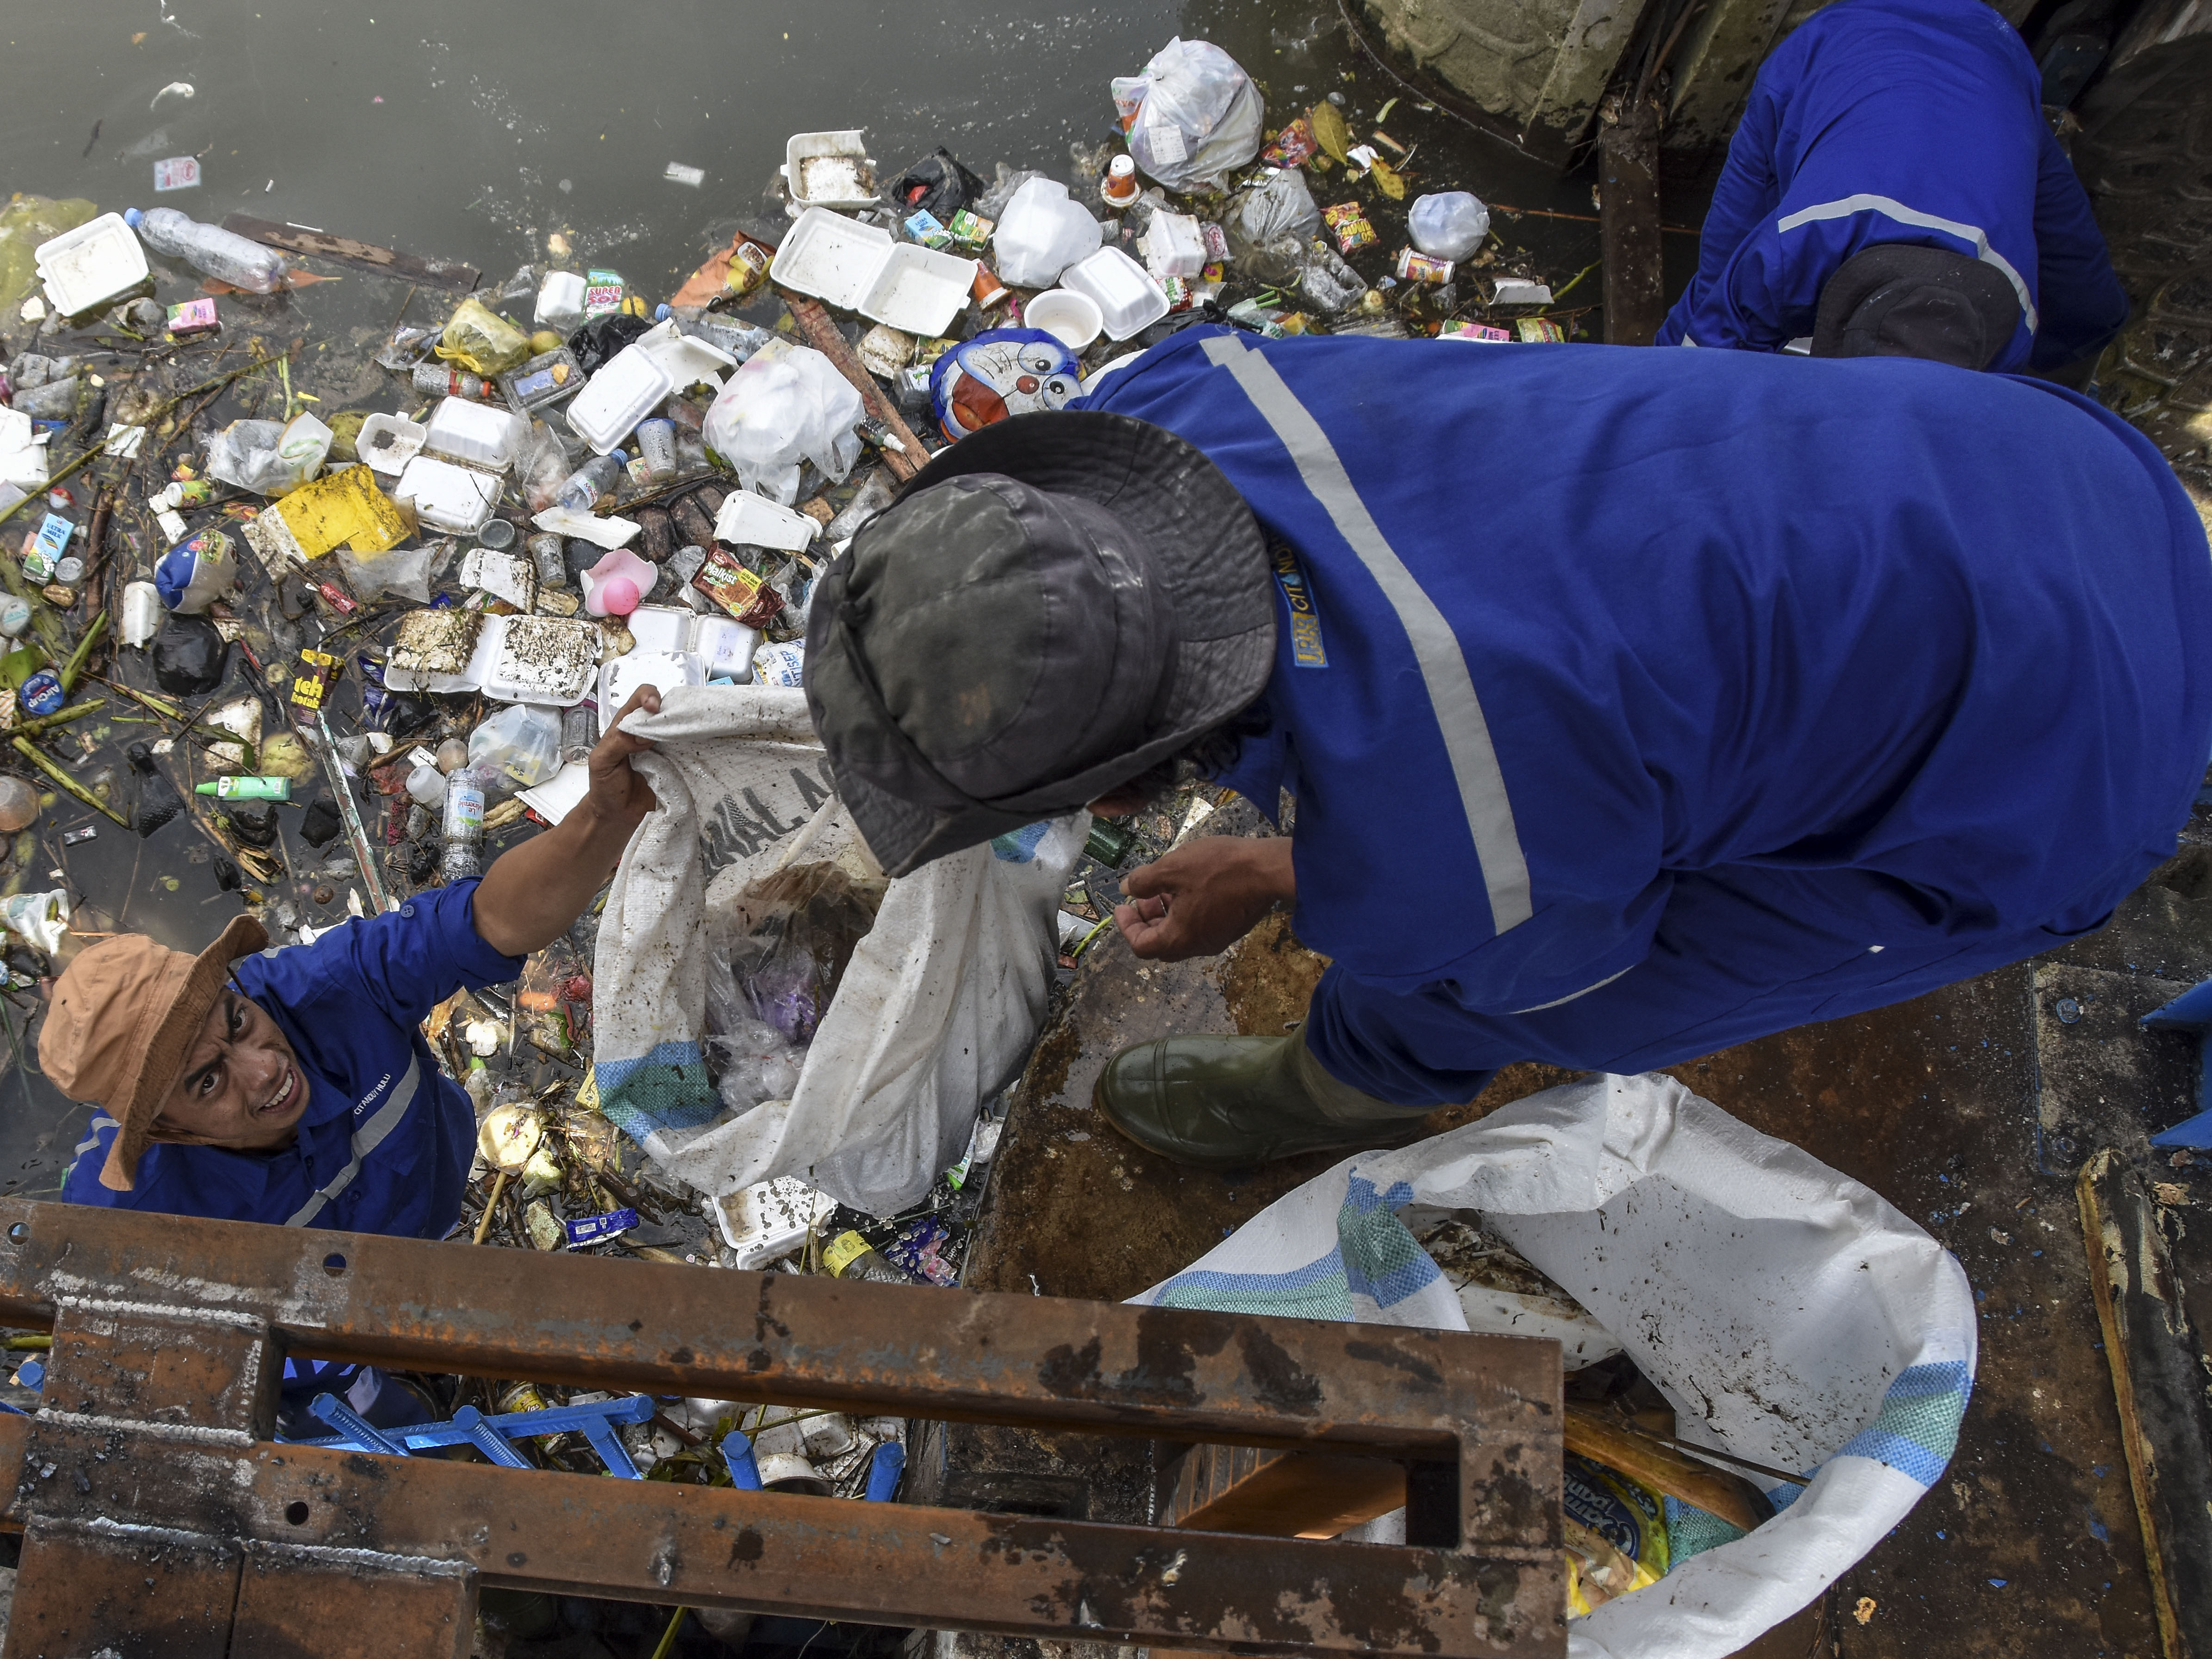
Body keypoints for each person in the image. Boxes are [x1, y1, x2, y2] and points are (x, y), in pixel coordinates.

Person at [799, 325, 2212, 1168]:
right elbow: (1307, 631)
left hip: (2071, 747)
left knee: (1535, 983)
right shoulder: (1174, 400)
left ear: (1108, 787)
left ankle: (1343, 1089)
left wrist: (1307, 875)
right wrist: (1283, 837)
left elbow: (1510, 891)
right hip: (2026, 462)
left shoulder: (1453, 825)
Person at [37, 688, 663, 1426]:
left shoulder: (320, 990)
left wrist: (605, 815)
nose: (264, 1069)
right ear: (162, 1130)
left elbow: (484, 922)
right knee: (384, 1424)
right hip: (315, 1351)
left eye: (238, 1023)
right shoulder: (126, 1219)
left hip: (424, 1216)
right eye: (207, 1082)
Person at [1655, 0, 2127, 376]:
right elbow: (1702, 362)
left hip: (1993, 60)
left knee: (2093, 310)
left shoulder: (2010, 316)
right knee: (1719, 286)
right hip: (1836, 48)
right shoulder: (1793, 249)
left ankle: (2088, 391)